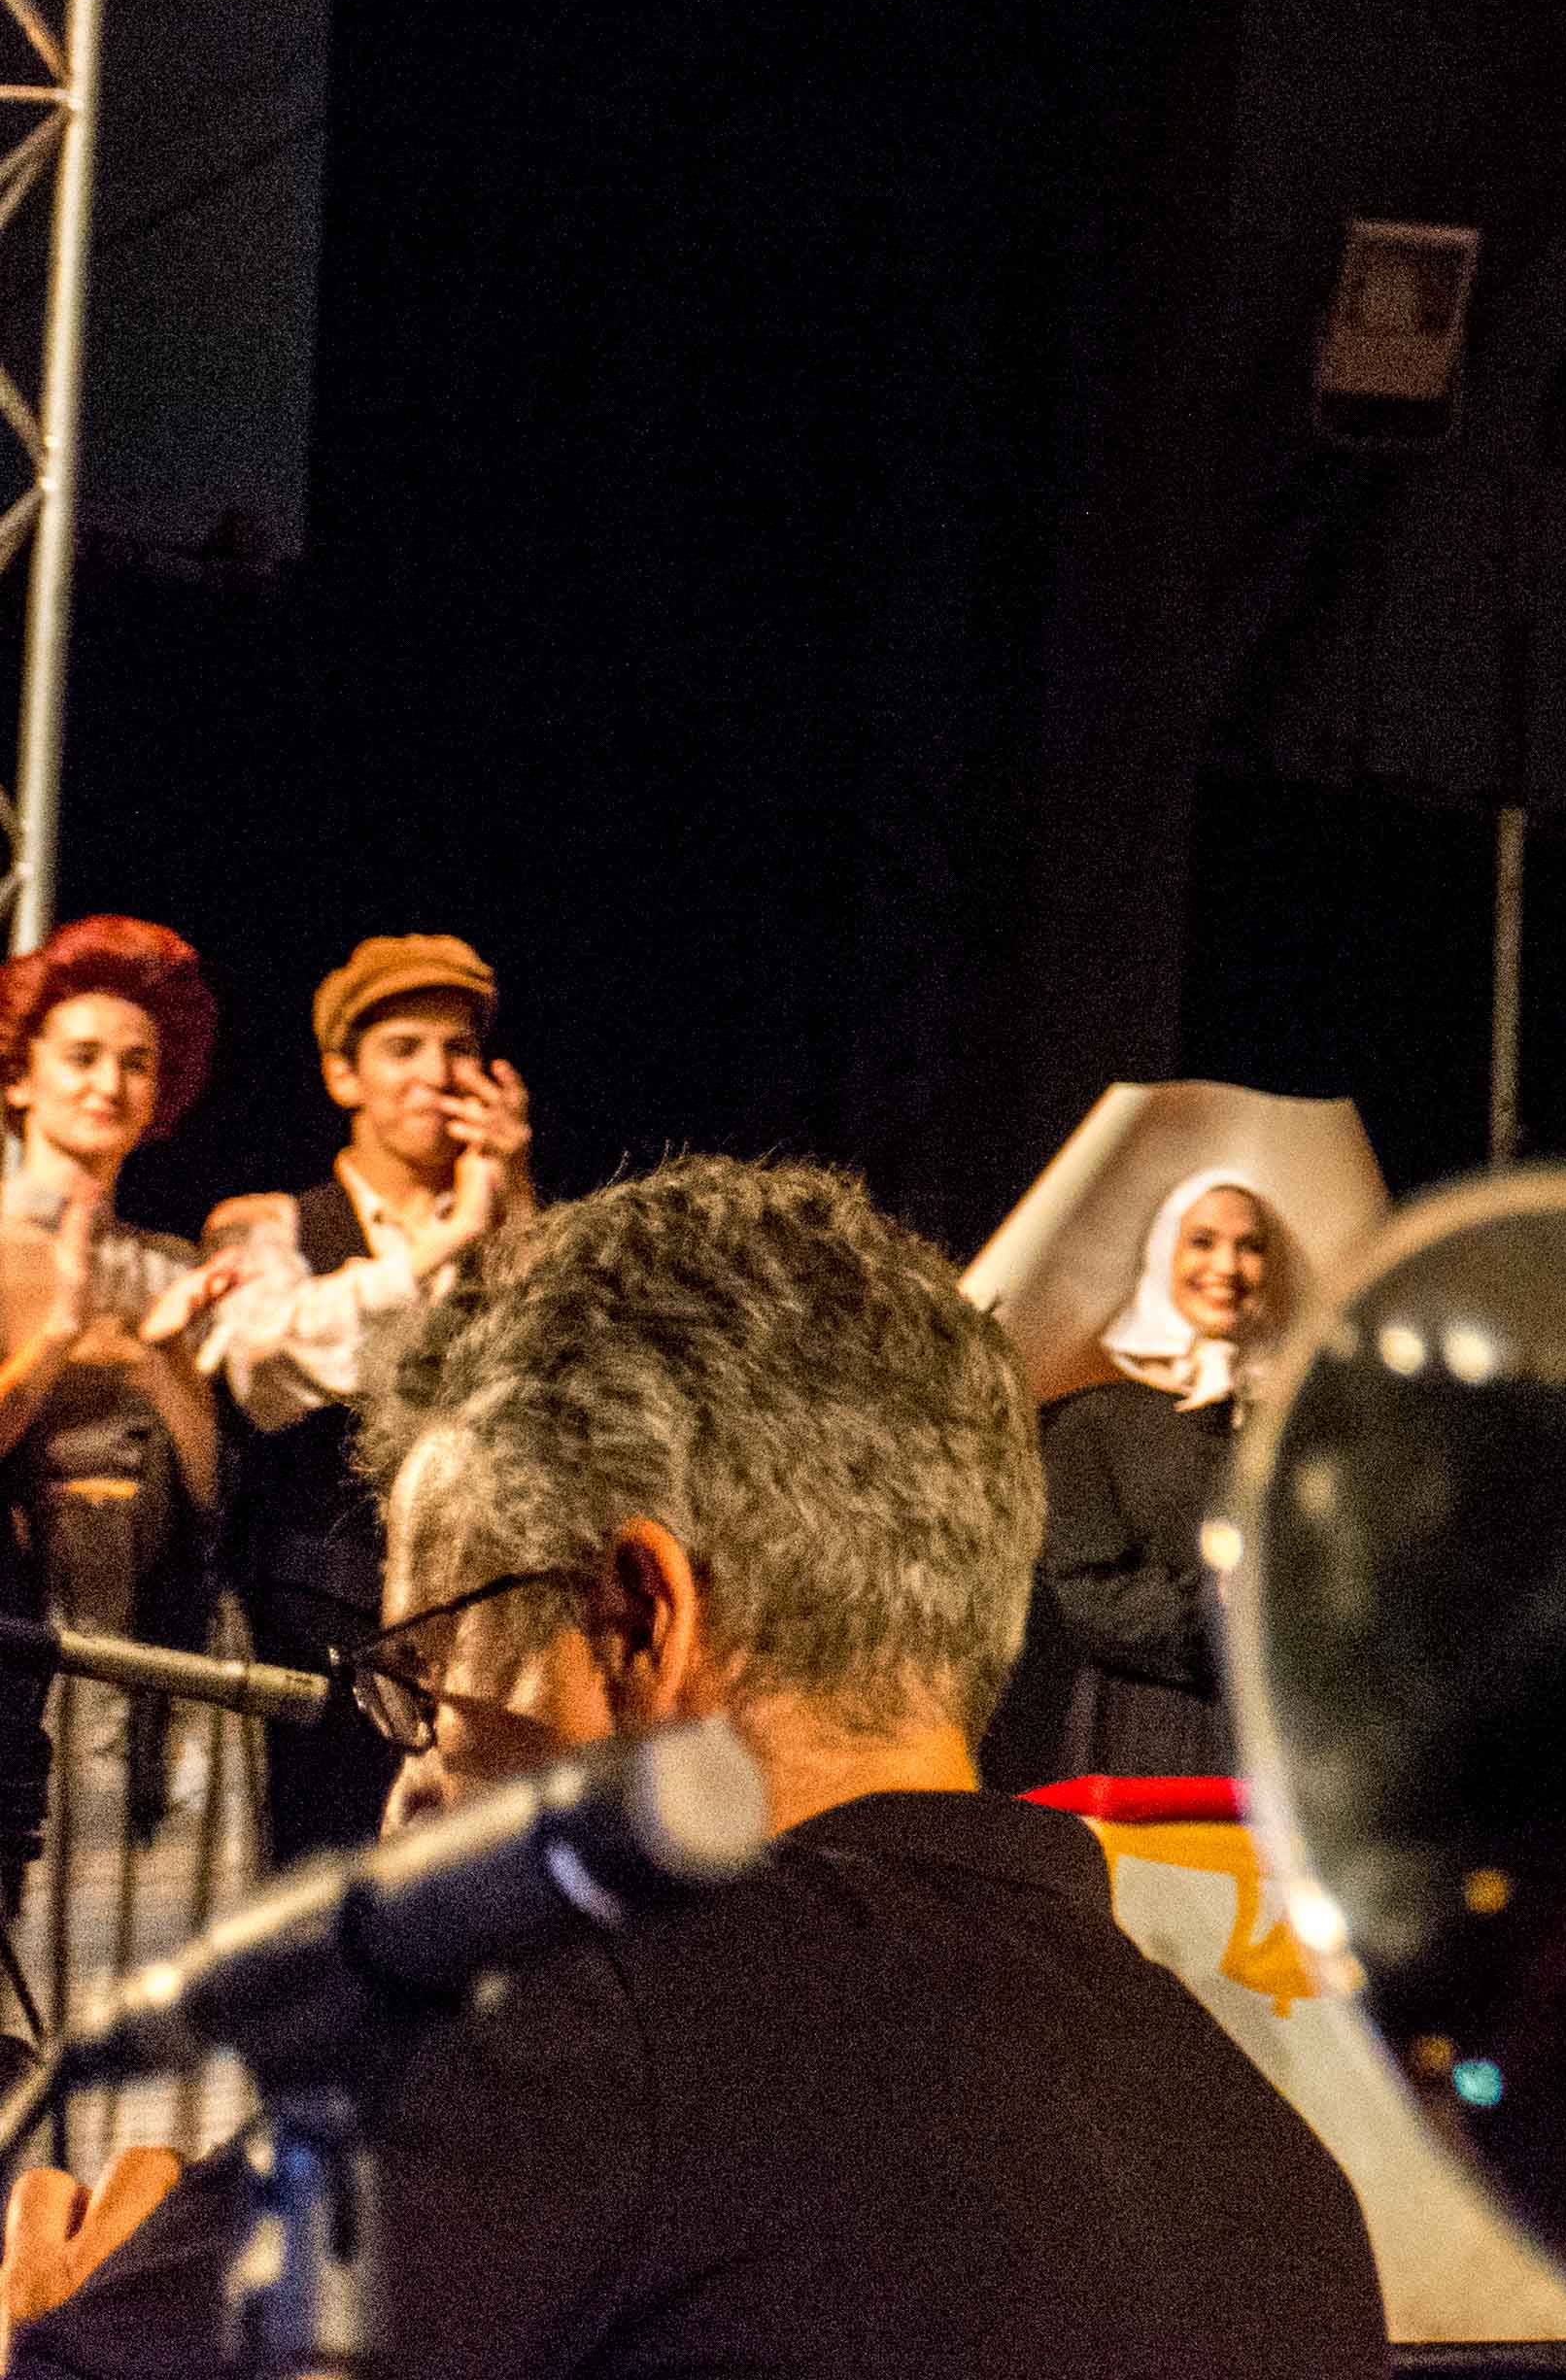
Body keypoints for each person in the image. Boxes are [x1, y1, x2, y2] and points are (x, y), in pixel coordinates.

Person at [17, 1155, 1386, 2380]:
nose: (406, 1787)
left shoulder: (569, 2026)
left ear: (635, 1621)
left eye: (429, 1675)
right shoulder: (1275, 2176)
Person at [198, 930, 535, 1858]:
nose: (436, 1072)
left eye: (458, 1048)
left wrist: (510, 1203)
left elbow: (565, 1377)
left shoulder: (511, 1224)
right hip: (319, 1631)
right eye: (404, 1049)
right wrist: (444, 1239)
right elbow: (266, 1371)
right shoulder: (268, 1222)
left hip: (484, 1633)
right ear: (344, 1078)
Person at [0, 921, 232, 1958]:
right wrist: (57, 1334)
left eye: (137, 1062)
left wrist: (158, 1361)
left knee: (133, 1938)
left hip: (144, 1635)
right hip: (21, 1626)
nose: (109, 1083)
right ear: (21, 1076)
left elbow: (206, 1489)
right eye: (83, 1056)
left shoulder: (168, 1261)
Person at [1027, 1168, 1285, 1779]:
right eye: (1201, 1241)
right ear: (1162, 1250)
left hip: (1279, 1730)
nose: (1226, 1265)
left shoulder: (1290, 1413)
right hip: (1151, 1727)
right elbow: (1088, 1591)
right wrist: (1228, 1614)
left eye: (1250, 1247)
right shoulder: (1093, 1414)